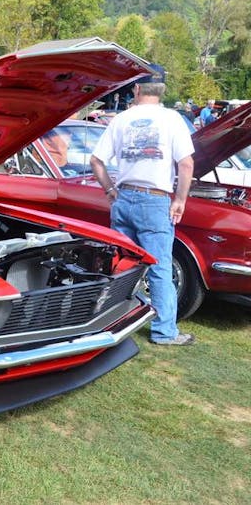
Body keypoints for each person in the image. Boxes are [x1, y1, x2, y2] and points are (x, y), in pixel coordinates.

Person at [90, 79, 195, 346]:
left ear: (137, 90)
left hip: (123, 198)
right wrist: (180, 199)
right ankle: (164, 332)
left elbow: (96, 161)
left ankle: (104, 323)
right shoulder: (173, 119)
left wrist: (109, 190)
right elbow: (186, 164)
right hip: (154, 200)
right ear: (162, 92)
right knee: (159, 268)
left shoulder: (121, 119)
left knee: (119, 265)